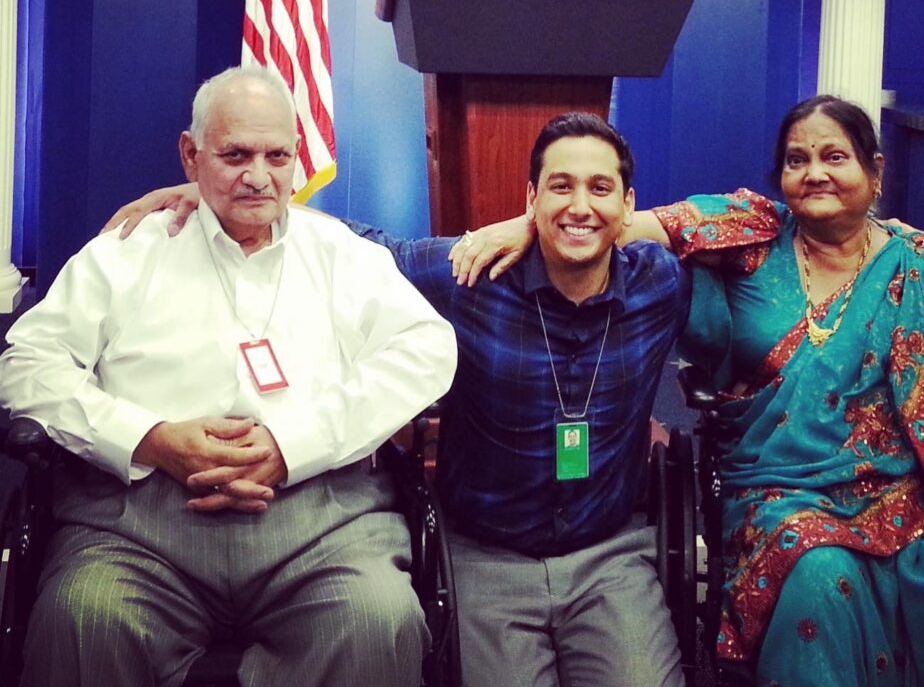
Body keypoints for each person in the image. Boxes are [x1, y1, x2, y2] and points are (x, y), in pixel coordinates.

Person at [103, 112, 693, 687]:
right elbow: (355, 242)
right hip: (486, 555)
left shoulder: (662, 283)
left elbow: (754, 216)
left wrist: (610, 226)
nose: (581, 205)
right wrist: (227, 192)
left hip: (609, 555)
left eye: (601, 189)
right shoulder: (466, 276)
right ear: (531, 197)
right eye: (560, 187)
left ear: (630, 203)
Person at [454, 95, 924, 686]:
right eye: (797, 159)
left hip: (914, 478)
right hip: (784, 485)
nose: (815, 173)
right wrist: (528, 223)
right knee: (817, 574)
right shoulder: (751, 231)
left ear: (875, 172)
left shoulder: (923, 266)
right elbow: (621, 223)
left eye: (835, 156)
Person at [0, 67, 457, 687]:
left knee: (377, 621)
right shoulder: (128, 250)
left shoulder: (344, 255)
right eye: (235, 154)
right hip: (140, 526)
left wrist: (294, 445)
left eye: (277, 156)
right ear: (191, 155)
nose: (259, 176)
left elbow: (428, 348)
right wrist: (148, 437)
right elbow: (27, 363)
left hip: (321, 525)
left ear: (299, 159)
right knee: (83, 617)